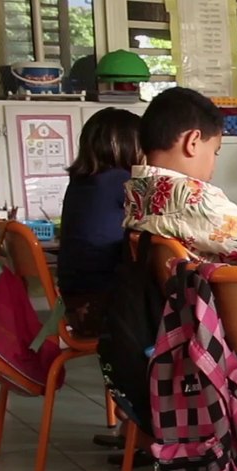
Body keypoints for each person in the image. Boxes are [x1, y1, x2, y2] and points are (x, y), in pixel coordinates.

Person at [123, 87, 237, 265]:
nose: (214, 164)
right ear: (192, 142)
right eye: (215, 152)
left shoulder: (137, 190)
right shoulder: (193, 197)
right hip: (224, 291)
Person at [58, 107, 142, 339]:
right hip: (103, 308)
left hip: (76, 305)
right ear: (126, 145)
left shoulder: (80, 183)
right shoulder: (121, 181)